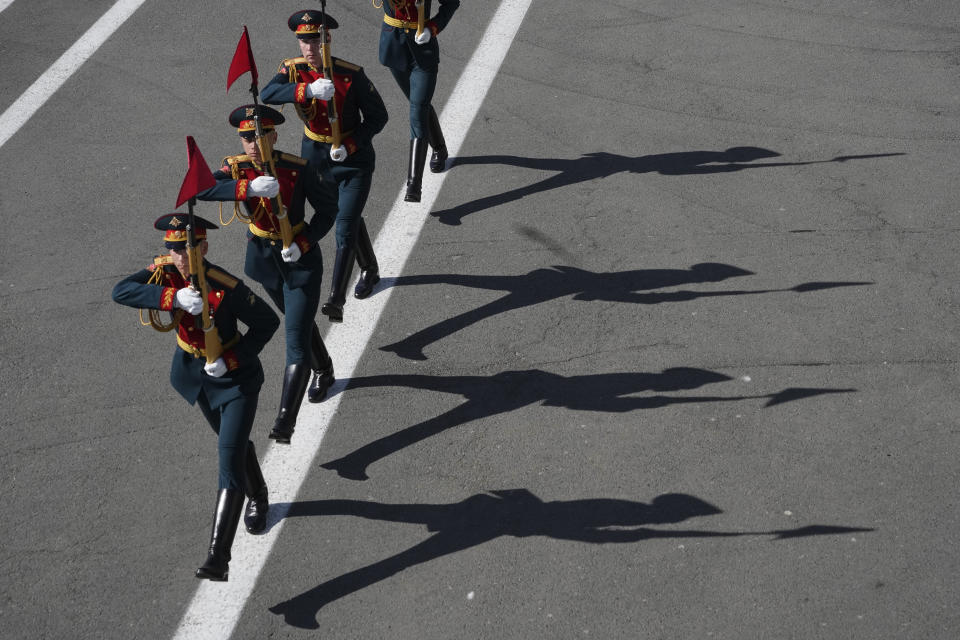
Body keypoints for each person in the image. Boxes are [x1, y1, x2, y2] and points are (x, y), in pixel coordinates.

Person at [112, 214, 280, 581]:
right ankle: (260, 494)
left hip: (234, 380)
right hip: (197, 378)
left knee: (227, 457)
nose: (179, 256)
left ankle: (218, 556)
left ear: (204, 247)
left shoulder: (226, 287)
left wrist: (232, 359)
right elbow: (120, 291)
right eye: (173, 249)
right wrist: (170, 297)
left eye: (187, 248)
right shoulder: (165, 274)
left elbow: (268, 322)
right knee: (230, 444)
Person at [197, 104, 338, 444]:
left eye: (260, 135)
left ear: (274, 136)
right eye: (246, 137)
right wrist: (246, 190)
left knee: (295, 341)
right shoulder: (236, 169)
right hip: (263, 260)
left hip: (299, 261)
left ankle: (285, 420)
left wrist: (304, 242)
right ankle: (325, 368)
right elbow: (200, 190)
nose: (253, 143)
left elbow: (328, 209)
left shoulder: (297, 168)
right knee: (296, 320)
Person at [262, 10, 389, 323]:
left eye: (315, 41)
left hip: (353, 161)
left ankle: (336, 298)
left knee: (344, 225)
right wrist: (306, 90)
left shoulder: (350, 75)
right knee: (348, 216)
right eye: (303, 41)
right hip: (315, 157)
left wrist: (350, 146)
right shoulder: (292, 70)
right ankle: (370, 269)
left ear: (327, 40)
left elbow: (378, 117)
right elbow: (266, 94)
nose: (309, 48)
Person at [376, 0, 459, 201]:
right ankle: (439, 147)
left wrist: (432, 28)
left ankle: (414, 184)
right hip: (394, 45)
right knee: (418, 104)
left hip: (422, 47)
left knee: (417, 109)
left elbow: (451, 3)